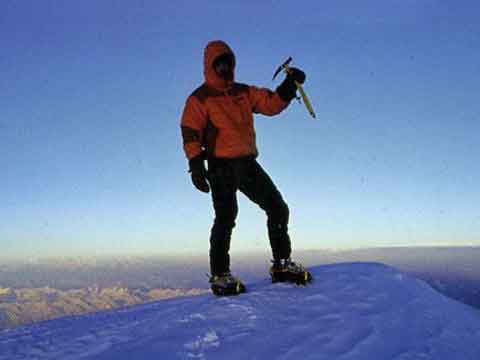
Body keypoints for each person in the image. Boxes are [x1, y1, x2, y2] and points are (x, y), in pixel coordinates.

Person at [180, 40, 311, 295]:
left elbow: (270, 104)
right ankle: (220, 275)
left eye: (228, 62)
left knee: (277, 208)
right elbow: (190, 131)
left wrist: (289, 84)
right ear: (209, 66)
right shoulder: (200, 98)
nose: (224, 68)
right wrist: (195, 164)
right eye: (219, 64)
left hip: (247, 163)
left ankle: (282, 265)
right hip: (220, 166)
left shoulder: (243, 92)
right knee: (226, 218)